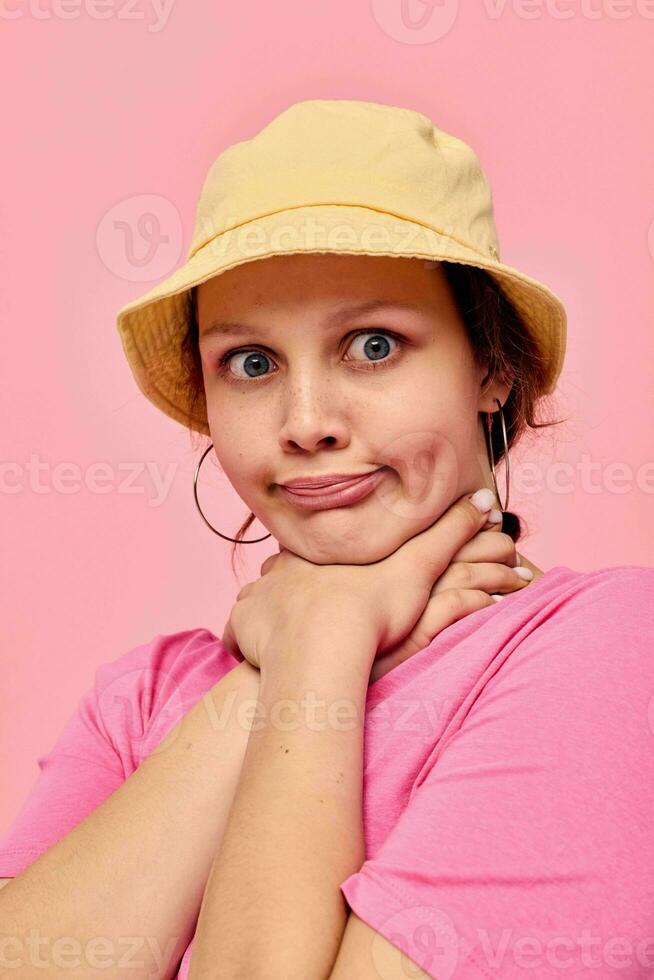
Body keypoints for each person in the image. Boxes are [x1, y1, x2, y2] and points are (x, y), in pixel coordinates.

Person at [1, 99, 653, 980]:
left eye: (373, 344)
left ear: (492, 367)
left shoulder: (609, 650)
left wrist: (320, 645)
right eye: (252, 363)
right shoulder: (140, 701)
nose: (306, 424)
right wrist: (301, 646)